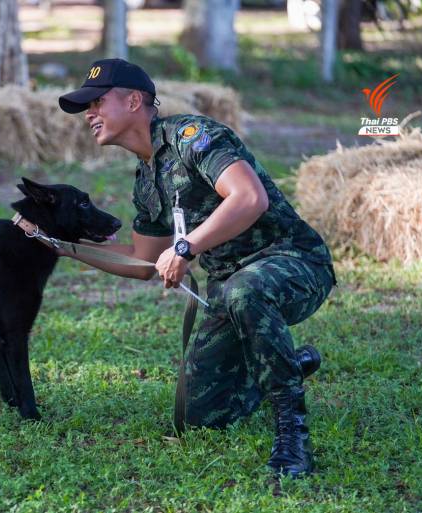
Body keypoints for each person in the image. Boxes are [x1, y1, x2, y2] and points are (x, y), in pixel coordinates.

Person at [56, 58, 336, 478]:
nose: (89, 115)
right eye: (86, 108)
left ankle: (291, 433)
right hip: (231, 287)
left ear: (135, 100)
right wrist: (63, 247)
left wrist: (186, 247)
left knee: (247, 291)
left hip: (293, 263)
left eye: (96, 102)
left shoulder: (193, 136)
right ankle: (284, 364)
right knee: (199, 417)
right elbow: (143, 262)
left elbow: (249, 198)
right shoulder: (146, 180)